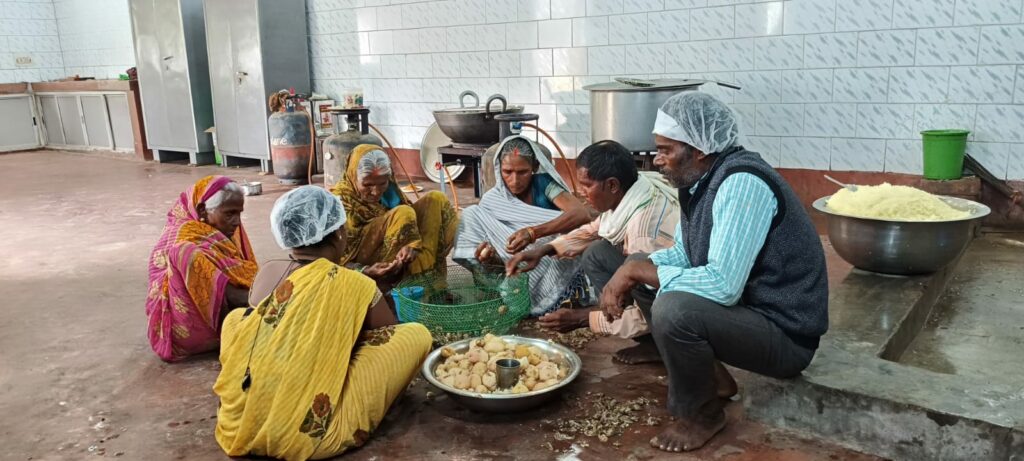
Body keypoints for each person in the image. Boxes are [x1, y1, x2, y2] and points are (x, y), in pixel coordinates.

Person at [599, 92, 828, 452]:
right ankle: (714, 381)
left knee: (674, 309)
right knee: (643, 267)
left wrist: (635, 272)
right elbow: (682, 254)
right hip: (750, 315)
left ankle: (702, 413)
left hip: (785, 335)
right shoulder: (700, 181)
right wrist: (632, 268)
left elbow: (722, 285)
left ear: (700, 149)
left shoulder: (741, 184)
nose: (657, 160)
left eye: (666, 150)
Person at [214, 186, 432, 460]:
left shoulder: (268, 272)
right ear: (339, 234)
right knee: (415, 336)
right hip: (305, 437)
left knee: (236, 319)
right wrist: (375, 293)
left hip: (239, 427)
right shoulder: (355, 285)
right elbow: (388, 332)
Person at [505, 140, 678, 335]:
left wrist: (583, 318)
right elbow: (594, 229)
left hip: (675, 302)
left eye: (587, 185)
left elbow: (659, 311)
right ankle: (620, 310)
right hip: (657, 278)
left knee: (634, 266)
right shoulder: (634, 191)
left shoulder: (643, 234)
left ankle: (654, 342)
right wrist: (544, 250)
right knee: (596, 252)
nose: (581, 192)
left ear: (612, 184)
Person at [453, 135, 593, 315]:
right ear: (498, 169)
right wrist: (492, 258)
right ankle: (502, 291)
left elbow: (581, 214)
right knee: (471, 214)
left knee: (572, 235)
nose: (515, 180)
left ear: (534, 168)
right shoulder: (492, 200)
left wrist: (532, 232)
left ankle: (546, 297)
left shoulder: (544, 184)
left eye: (523, 172)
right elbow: (496, 237)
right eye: (507, 172)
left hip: (542, 256)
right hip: (508, 264)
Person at [145, 175, 257, 362]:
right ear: (202, 210)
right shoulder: (181, 235)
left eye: (239, 213)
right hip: (184, 325)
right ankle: (240, 320)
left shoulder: (222, 231)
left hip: (219, 313)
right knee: (183, 252)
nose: (237, 222)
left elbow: (245, 270)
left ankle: (245, 316)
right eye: (229, 214)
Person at [330, 144, 458, 281]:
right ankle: (403, 284)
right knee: (403, 214)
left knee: (436, 199)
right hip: (367, 265)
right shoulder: (339, 202)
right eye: (367, 185)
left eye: (382, 183)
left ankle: (430, 280)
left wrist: (410, 243)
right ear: (352, 176)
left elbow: (412, 226)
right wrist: (364, 270)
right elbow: (332, 260)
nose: (376, 191)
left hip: (400, 253)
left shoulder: (390, 192)